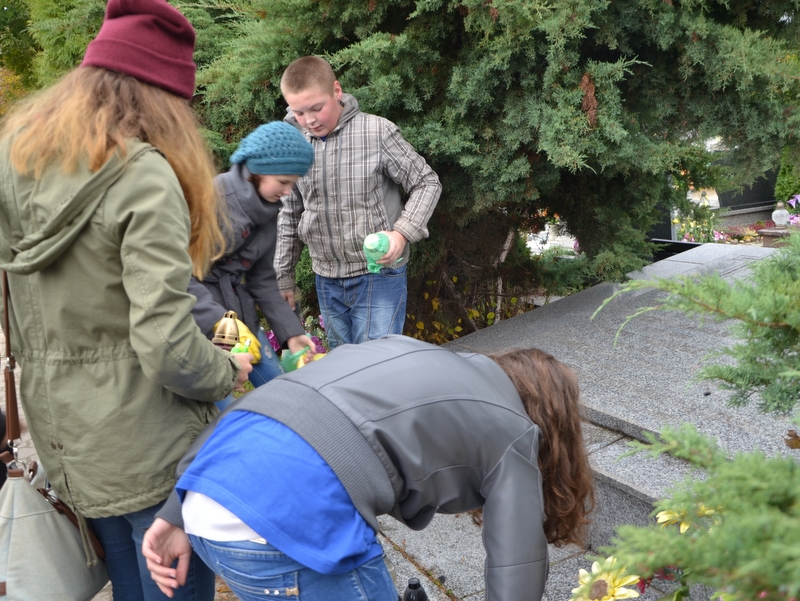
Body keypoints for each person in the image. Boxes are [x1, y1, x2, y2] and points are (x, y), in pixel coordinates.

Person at [0, 1, 253, 600]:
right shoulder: (141, 174)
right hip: (152, 452)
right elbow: (167, 346)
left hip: (72, 444)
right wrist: (227, 369)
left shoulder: (16, 161)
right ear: (165, 97)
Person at [142, 335, 595, 601]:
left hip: (204, 503)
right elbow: (516, 567)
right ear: (552, 418)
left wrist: (175, 511)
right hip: (285, 526)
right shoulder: (513, 427)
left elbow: (272, 403)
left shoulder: (405, 349)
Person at [275, 56, 442, 349]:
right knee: (346, 370)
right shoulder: (294, 145)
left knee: (377, 366)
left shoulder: (377, 132)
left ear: (336, 91)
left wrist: (401, 234)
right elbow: (289, 214)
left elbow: (426, 182)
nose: (310, 120)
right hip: (327, 280)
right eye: (299, 112)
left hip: (378, 276)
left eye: (317, 108)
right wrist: (283, 278)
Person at [189, 122, 317, 408]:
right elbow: (179, 276)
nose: (287, 192)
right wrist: (221, 324)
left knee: (281, 398)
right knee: (218, 415)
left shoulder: (269, 206)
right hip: (201, 320)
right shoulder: (212, 199)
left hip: (240, 315)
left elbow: (262, 280)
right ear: (257, 170)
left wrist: (292, 333)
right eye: (283, 182)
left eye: (293, 184)